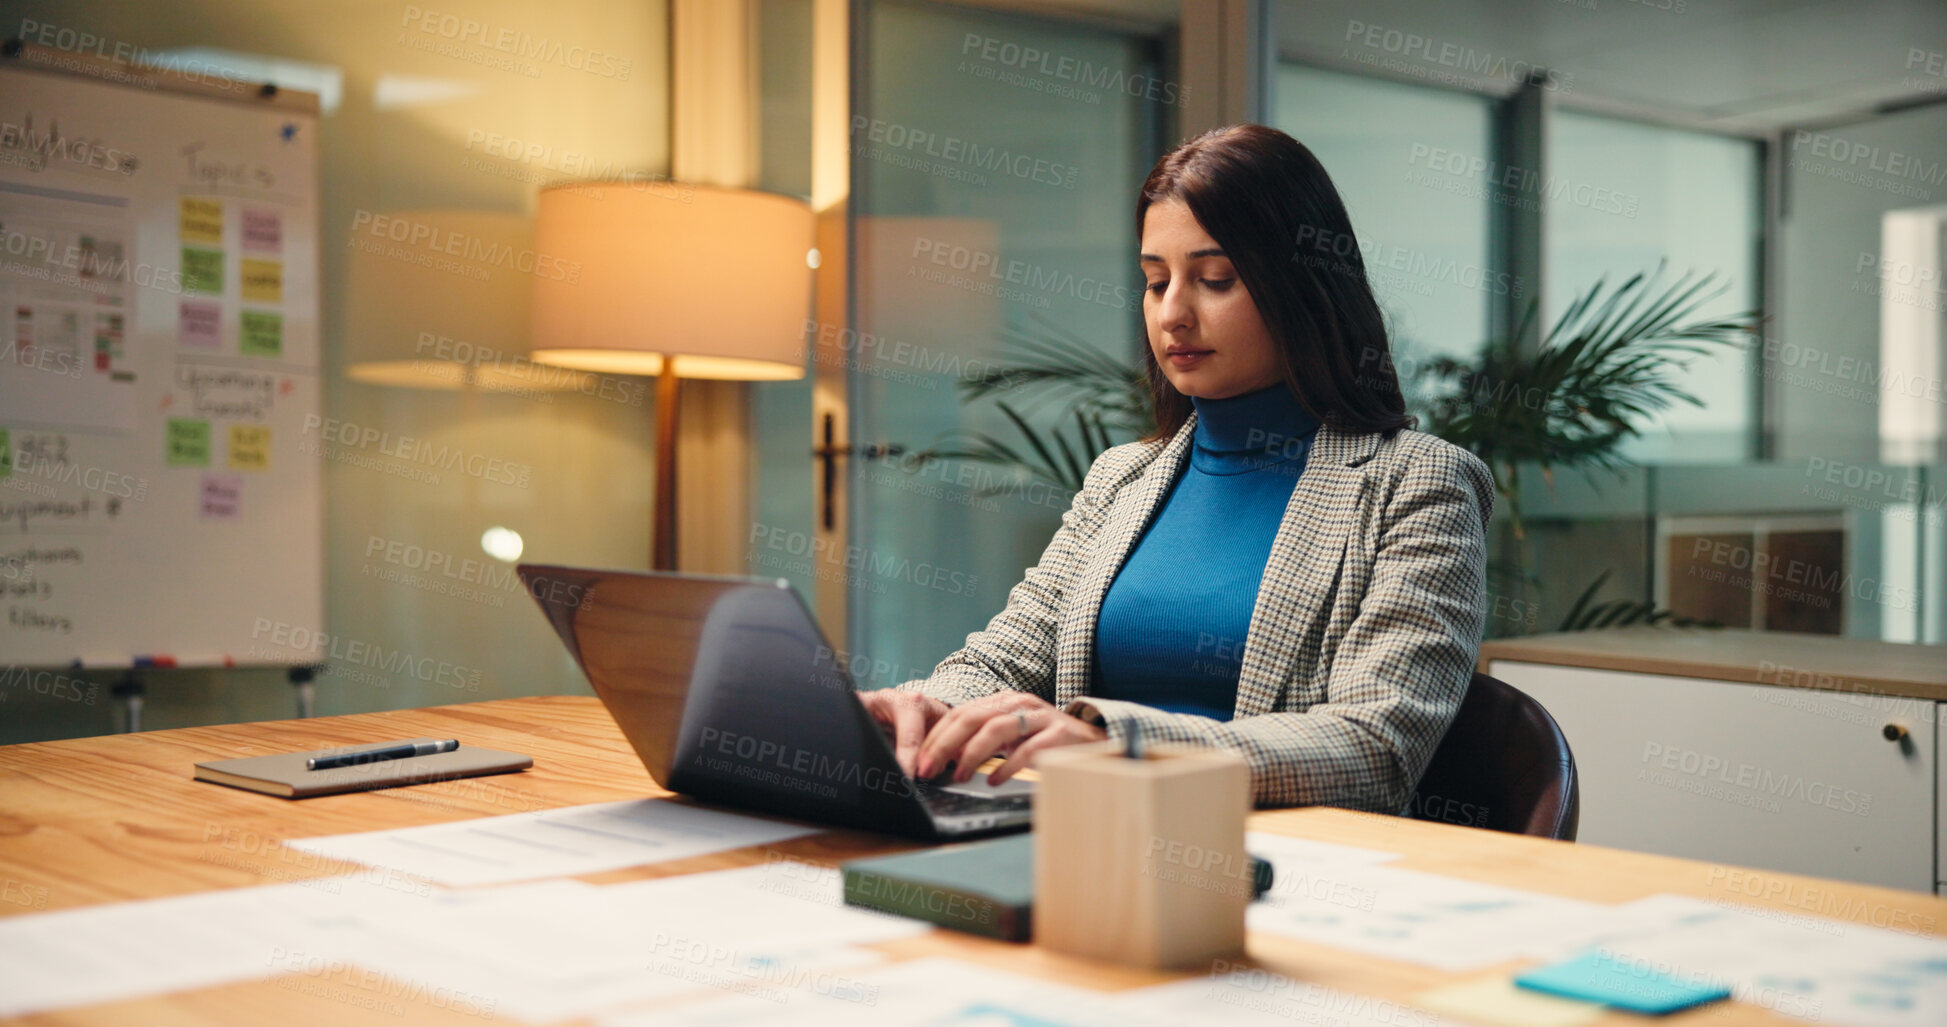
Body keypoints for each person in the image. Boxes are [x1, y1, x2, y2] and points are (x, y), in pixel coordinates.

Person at [857, 123, 1495, 814]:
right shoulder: (1120, 478)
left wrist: (1116, 742)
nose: (1172, 313)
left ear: (1302, 287)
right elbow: (1007, 658)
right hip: (1085, 835)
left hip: (1277, 858)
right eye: (1155, 280)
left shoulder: (1418, 482)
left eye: (1214, 280)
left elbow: (1375, 746)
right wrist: (924, 710)